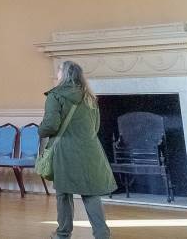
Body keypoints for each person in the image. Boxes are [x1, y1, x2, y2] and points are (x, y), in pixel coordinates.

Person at [40, 60, 117, 239]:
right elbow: (95, 126)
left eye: (59, 71)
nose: (57, 74)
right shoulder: (89, 96)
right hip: (90, 151)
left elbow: (50, 125)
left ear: (65, 74)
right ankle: (102, 234)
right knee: (90, 194)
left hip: (65, 152)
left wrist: (40, 130)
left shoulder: (56, 95)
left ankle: (63, 233)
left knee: (63, 193)